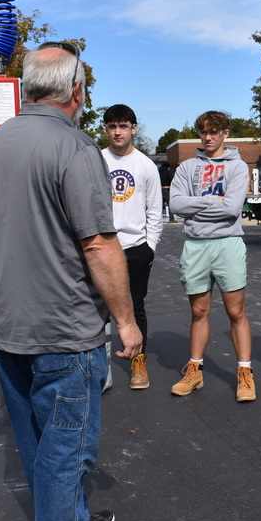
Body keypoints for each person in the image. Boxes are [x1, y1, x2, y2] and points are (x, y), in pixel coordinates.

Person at [0, 41, 141, 521]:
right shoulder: (74, 147)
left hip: (8, 328)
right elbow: (99, 244)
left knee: (39, 448)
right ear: (76, 90)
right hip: (64, 332)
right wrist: (127, 320)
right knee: (66, 452)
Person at [168, 111, 255, 402]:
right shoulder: (187, 166)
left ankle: (245, 373)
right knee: (198, 312)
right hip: (195, 244)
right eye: (204, 132)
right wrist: (210, 201)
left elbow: (231, 209)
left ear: (225, 134)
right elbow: (176, 205)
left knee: (235, 312)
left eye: (214, 132)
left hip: (227, 243)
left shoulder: (238, 166)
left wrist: (196, 205)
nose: (208, 137)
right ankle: (195, 371)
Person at [101, 104, 163, 390]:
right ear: (106, 129)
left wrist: (149, 247)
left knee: (134, 307)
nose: (117, 131)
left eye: (123, 126)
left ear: (133, 128)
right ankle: (99, 368)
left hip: (135, 248)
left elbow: (155, 211)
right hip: (102, 246)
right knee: (97, 309)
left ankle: (139, 364)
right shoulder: (97, 161)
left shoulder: (145, 165)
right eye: (112, 126)